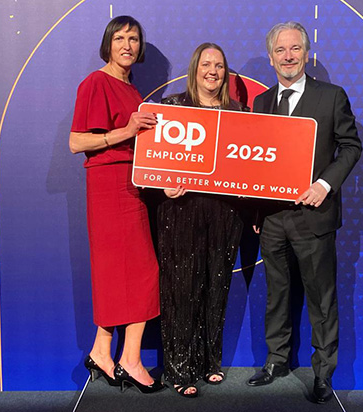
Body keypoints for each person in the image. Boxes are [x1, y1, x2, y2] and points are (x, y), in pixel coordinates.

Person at [246, 22, 362, 404]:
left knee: (321, 300)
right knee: (276, 294)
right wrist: (258, 209)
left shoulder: (331, 96)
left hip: (314, 215)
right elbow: (256, 160)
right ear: (271, 58)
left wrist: (324, 184)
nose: (288, 56)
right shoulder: (262, 102)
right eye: (280, 50)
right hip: (272, 219)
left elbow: (350, 147)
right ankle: (276, 360)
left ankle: (323, 374)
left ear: (307, 54)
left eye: (295, 48)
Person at [69, 15, 164, 394]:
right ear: (107, 43)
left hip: (133, 185)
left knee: (123, 274)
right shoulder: (96, 82)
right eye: (120, 38)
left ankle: (102, 351)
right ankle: (131, 360)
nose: (127, 45)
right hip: (109, 186)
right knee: (140, 272)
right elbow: (77, 142)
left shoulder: (132, 89)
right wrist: (125, 131)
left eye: (134, 39)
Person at [157, 43, 247, 398]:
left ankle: (210, 361)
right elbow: (152, 161)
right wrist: (163, 186)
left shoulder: (239, 112)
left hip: (225, 212)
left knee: (216, 285)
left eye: (219, 65)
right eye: (207, 64)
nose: (213, 71)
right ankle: (180, 368)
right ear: (195, 68)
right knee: (182, 288)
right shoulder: (172, 107)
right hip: (181, 211)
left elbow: (250, 164)